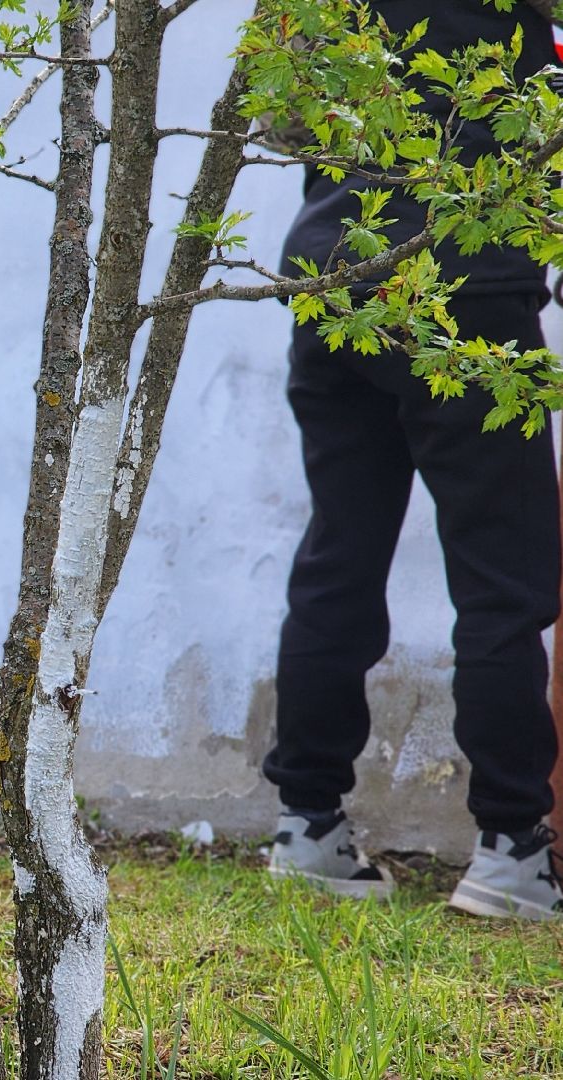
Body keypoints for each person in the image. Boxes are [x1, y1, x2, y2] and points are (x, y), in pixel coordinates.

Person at [263, 0, 562, 919]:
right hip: (470, 296)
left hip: (336, 276)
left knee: (338, 558)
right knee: (503, 584)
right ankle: (512, 850)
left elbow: (280, 118)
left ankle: (307, 827)